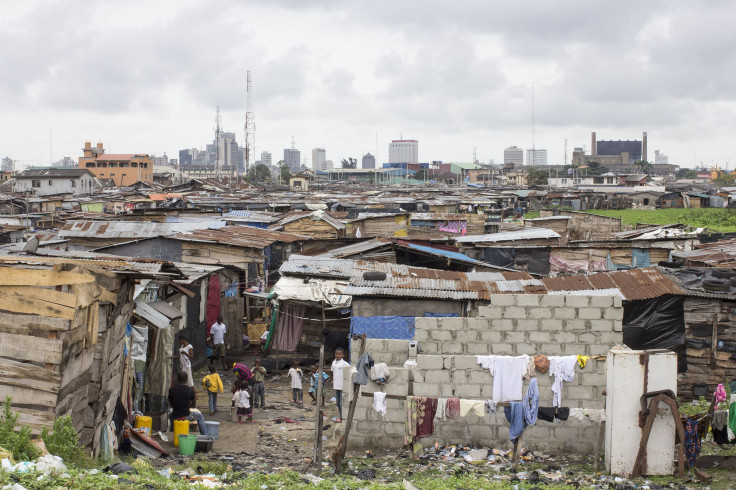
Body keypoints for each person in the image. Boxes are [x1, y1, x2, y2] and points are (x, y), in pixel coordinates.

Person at [168, 371, 208, 435]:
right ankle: (205, 435)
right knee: (199, 416)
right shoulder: (190, 390)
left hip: (174, 416)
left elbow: (170, 403)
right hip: (186, 416)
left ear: (177, 379)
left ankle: (173, 431)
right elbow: (193, 405)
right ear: (186, 379)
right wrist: (187, 406)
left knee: (170, 414)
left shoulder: (171, 389)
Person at [331, 348, 350, 423]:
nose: (337, 355)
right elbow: (332, 371)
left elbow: (349, 372)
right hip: (336, 385)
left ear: (343, 355)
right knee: (338, 402)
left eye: (339, 354)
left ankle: (343, 417)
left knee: (342, 402)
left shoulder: (344, 364)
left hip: (343, 385)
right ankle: (341, 416)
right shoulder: (334, 362)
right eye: (336, 354)